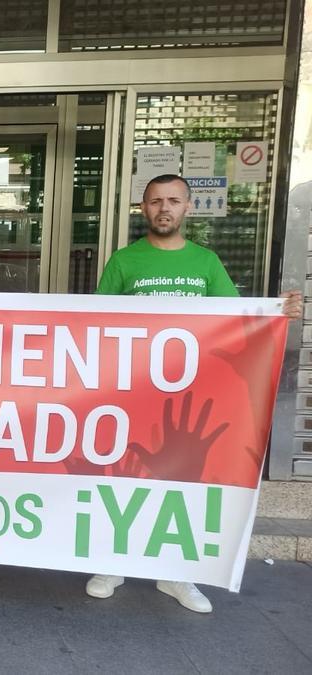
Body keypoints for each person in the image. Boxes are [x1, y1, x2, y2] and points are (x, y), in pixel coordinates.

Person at [88, 173, 302, 613]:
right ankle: (112, 563)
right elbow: (95, 323)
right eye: (154, 201)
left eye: (172, 200)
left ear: (187, 208)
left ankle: (176, 575)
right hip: (134, 395)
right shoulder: (125, 262)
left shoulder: (206, 264)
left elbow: (238, 323)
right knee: (126, 476)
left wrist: (277, 313)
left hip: (191, 399)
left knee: (183, 484)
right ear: (142, 209)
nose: (163, 208)